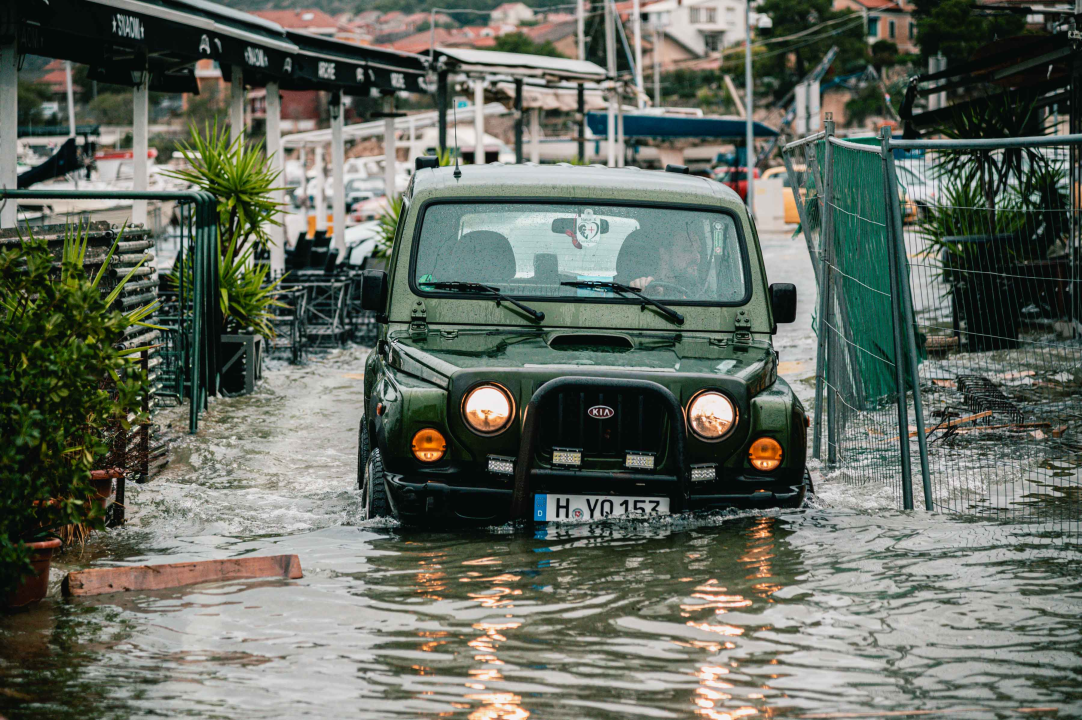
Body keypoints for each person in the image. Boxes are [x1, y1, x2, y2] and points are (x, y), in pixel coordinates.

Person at [627, 219, 708, 298]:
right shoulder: (646, 287)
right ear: (664, 254)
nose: (697, 257)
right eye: (687, 250)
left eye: (698, 250)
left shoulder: (701, 292)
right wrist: (640, 290)